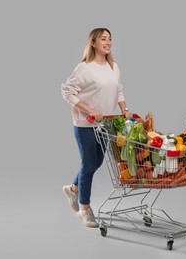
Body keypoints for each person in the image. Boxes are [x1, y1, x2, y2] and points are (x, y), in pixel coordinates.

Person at [61, 28, 132, 228]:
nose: (108, 42)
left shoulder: (113, 66)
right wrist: (89, 109)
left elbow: (118, 88)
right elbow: (67, 91)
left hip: (105, 125)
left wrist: (124, 108)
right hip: (85, 124)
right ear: (93, 43)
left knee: (97, 162)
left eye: (110, 39)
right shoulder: (84, 68)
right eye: (103, 39)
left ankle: (74, 188)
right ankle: (85, 209)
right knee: (89, 164)